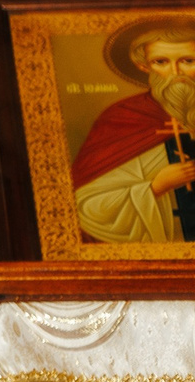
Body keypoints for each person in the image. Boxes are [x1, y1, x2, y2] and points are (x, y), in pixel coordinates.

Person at [73, 15, 195, 243]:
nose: (175, 72)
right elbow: (86, 206)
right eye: (161, 62)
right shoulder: (123, 118)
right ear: (144, 65)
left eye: (187, 60)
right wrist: (156, 187)